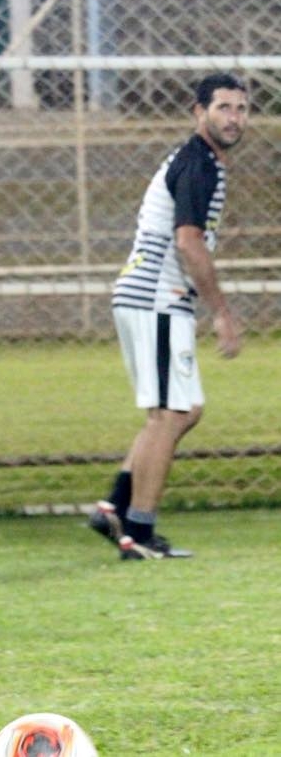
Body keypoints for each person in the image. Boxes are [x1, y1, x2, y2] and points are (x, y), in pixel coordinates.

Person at [90, 73, 248, 560]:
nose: (234, 118)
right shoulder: (198, 164)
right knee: (171, 413)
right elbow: (188, 242)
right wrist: (221, 313)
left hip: (151, 298)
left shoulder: (201, 161)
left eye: (241, 108)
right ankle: (138, 533)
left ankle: (115, 507)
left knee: (183, 410)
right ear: (199, 112)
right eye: (223, 108)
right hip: (155, 298)